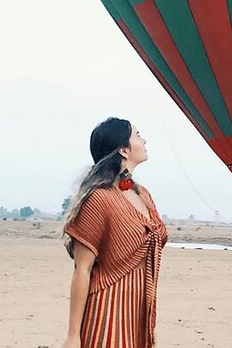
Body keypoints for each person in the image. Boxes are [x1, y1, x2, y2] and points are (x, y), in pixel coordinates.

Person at [61, 118, 167, 348]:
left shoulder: (144, 196)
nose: (144, 140)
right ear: (123, 149)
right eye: (138, 135)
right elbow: (82, 268)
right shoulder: (99, 198)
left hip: (140, 314)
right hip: (107, 311)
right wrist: (73, 336)